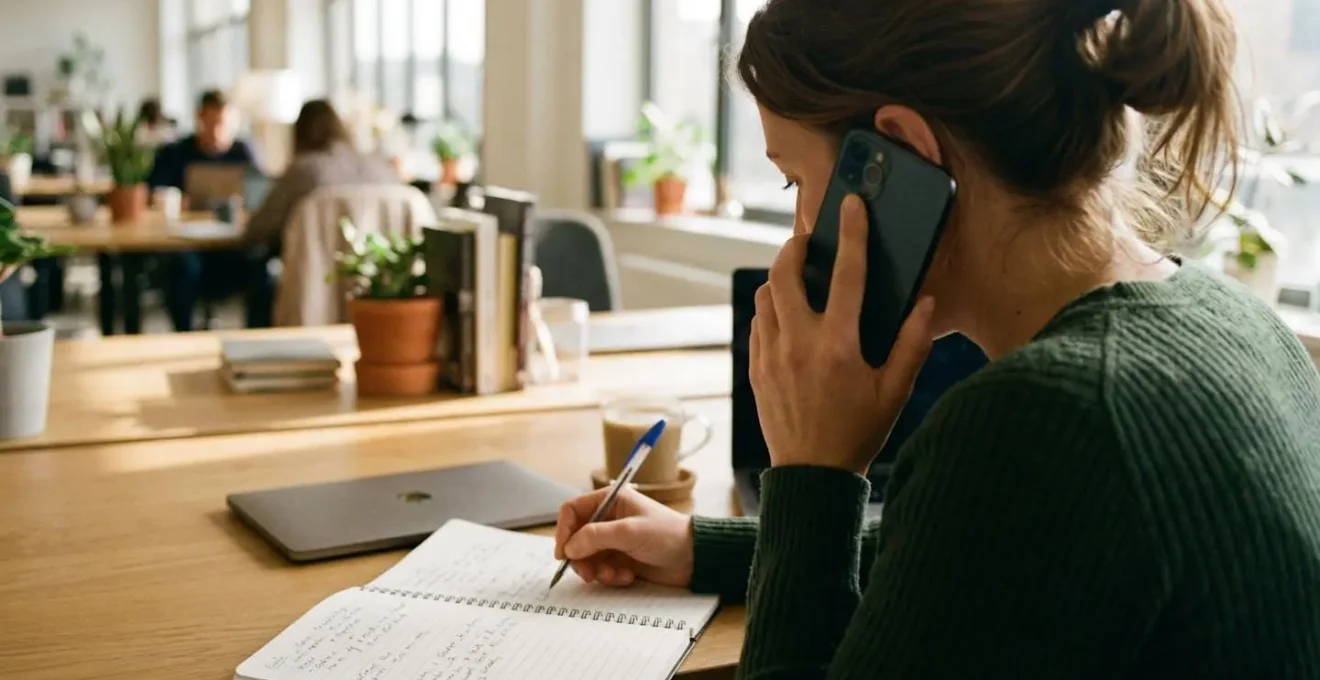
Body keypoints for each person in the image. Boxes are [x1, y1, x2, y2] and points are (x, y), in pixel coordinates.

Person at [554, 0, 1320, 677]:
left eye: (797, 182)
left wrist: (815, 470)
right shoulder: (1239, 322)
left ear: (900, 155)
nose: (798, 235)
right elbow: (965, 566)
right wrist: (703, 547)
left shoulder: (1046, 422)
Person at [148, 90, 267, 331]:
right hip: (188, 245)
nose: (216, 131)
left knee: (264, 268)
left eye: (222, 123)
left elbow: (262, 196)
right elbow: (152, 192)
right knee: (181, 267)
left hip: (233, 246)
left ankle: (256, 338)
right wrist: (173, 199)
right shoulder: (176, 153)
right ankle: (185, 335)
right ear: (199, 119)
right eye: (211, 123)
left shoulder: (244, 153)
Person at [243, 99, 397, 249]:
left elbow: (258, 229)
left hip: (315, 265)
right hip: (377, 263)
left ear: (300, 133)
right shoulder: (380, 166)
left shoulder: (303, 170)